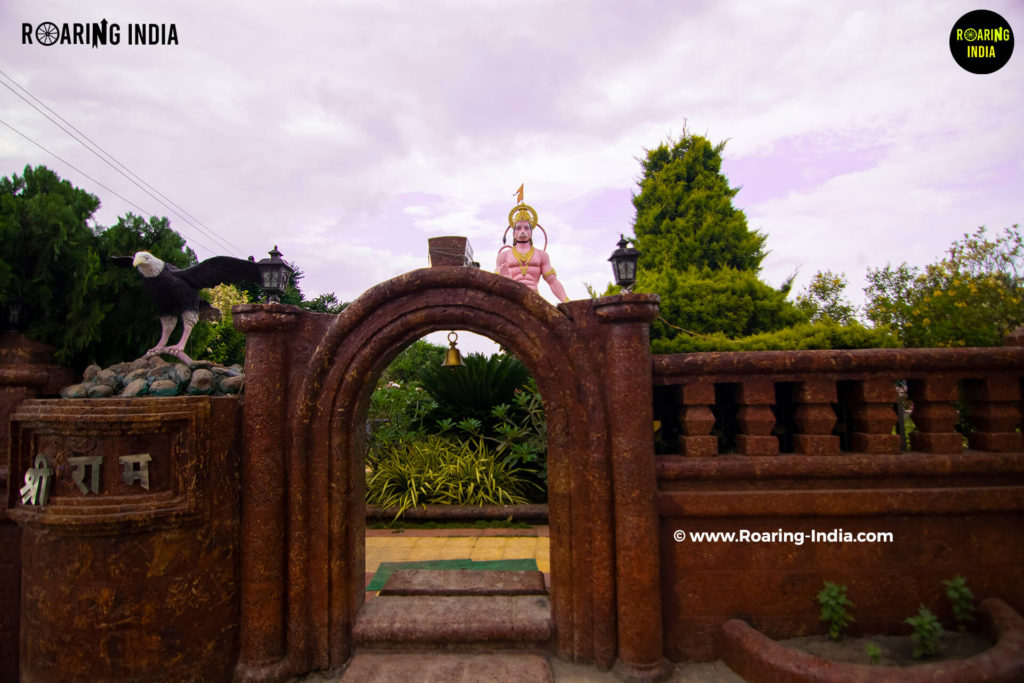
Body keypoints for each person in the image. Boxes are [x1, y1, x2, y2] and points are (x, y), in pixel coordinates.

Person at [495, 194, 569, 303]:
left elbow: (552, 281)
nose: (522, 231)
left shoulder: (542, 255)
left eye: (526, 228)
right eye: (518, 228)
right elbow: (494, 283)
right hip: (511, 298)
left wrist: (566, 301)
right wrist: (503, 281)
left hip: (534, 299)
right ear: (514, 233)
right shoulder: (504, 256)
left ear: (531, 232)